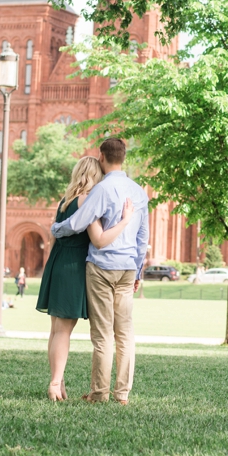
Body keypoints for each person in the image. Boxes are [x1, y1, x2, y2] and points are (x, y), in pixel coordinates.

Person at [51, 138, 149, 406]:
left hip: (102, 267)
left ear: (102, 157)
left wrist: (56, 229)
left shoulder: (101, 190)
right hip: (128, 268)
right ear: (124, 157)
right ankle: (123, 394)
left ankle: (99, 394)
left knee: (103, 334)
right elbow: (143, 237)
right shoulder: (139, 192)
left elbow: (78, 222)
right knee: (125, 333)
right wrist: (138, 270)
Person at [38, 155, 135, 402]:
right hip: (73, 266)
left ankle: (57, 384)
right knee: (63, 331)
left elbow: (54, 236)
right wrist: (125, 220)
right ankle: (54, 384)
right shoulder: (88, 201)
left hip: (58, 263)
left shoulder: (65, 201)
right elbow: (98, 238)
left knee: (56, 330)